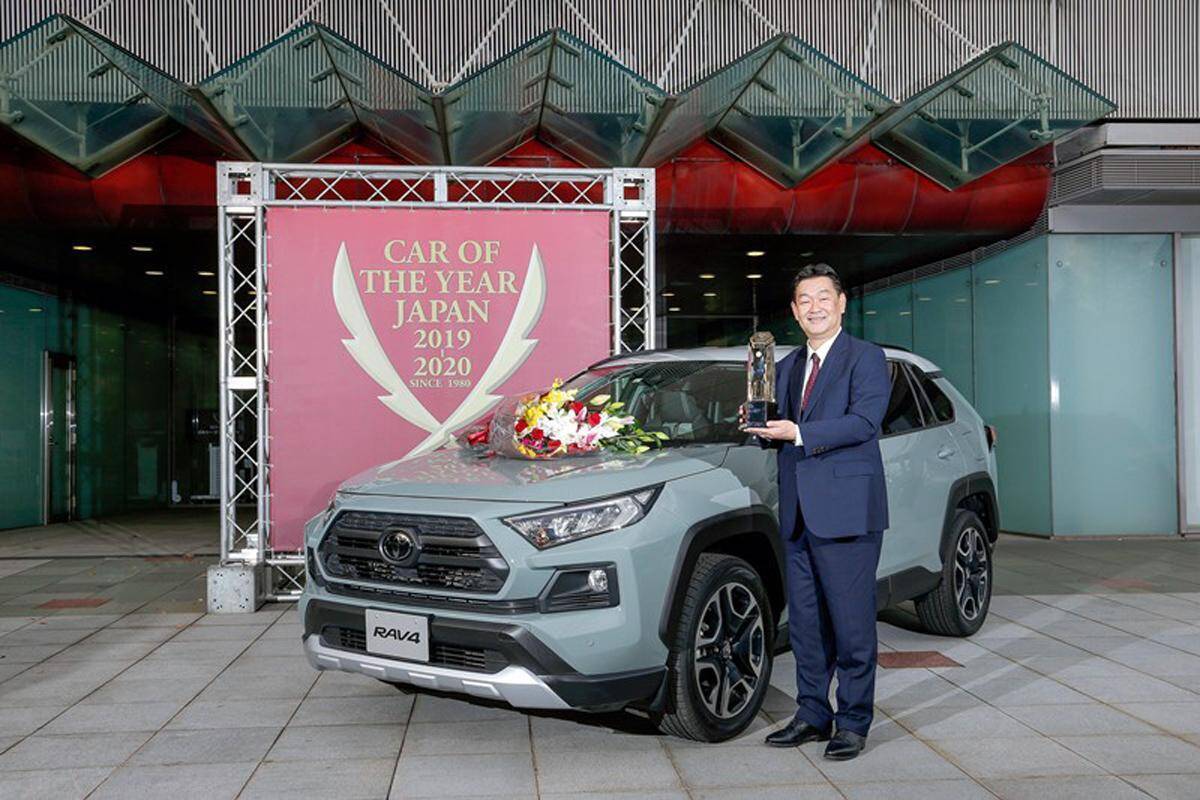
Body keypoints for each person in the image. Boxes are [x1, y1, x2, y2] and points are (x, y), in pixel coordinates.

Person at [742, 262, 889, 761]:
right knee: (806, 625)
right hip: (798, 515)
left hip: (847, 512)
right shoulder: (784, 367)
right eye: (804, 300)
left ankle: (853, 721)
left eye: (823, 297)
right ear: (793, 311)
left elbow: (864, 422)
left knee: (851, 624)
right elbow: (778, 434)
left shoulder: (866, 358)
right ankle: (811, 714)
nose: (814, 307)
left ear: (842, 303)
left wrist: (799, 432)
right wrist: (759, 426)